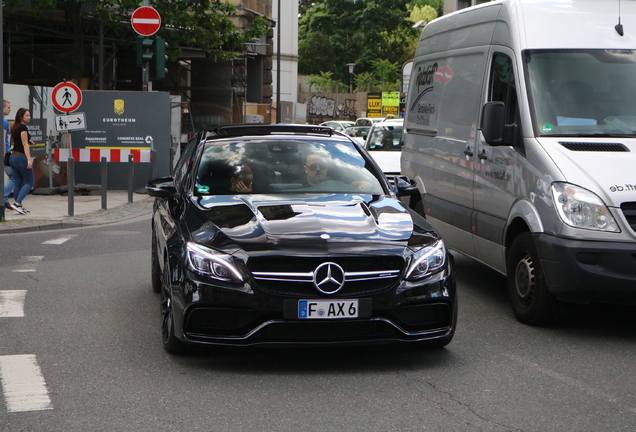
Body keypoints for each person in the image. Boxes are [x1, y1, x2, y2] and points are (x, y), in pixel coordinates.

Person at [8, 108, 35, 215]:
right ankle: (17, 203)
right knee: (29, 182)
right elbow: (24, 145)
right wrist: (29, 159)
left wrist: (28, 141)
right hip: (21, 157)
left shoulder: (15, 127)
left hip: (13, 157)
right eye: (27, 115)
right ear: (21, 117)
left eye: (29, 115)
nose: (29, 117)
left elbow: (17, 141)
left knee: (18, 182)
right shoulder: (23, 127)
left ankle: (18, 207)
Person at [3, 100, 14, 211]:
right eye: (8, 107)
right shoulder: (4, 122)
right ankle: (4, 197)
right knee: (14, 176)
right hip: (5, 154)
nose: (10, 109)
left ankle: (5, 200)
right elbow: (3, 138)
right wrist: (4, 154)